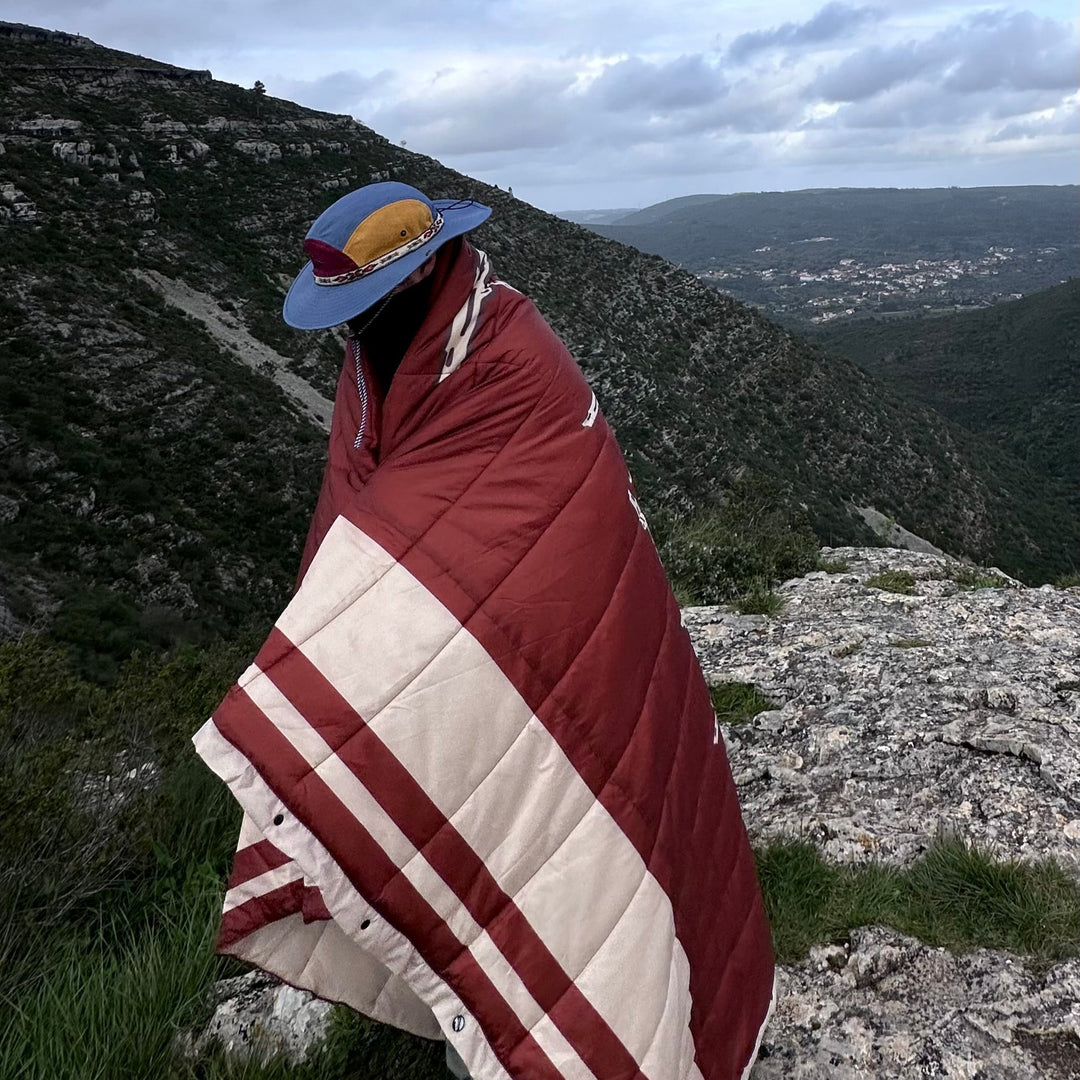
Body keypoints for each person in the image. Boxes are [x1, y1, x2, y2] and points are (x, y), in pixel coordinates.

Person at [193, 181, 775, 1080]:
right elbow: (367, 526)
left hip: (564, 643)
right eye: (347, 310)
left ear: (426, 266)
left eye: (367, 303)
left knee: (569, 840)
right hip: (454, 637)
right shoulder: (371, 363)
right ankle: (476, 1002)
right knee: (450, 800)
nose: (355, 324)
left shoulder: (508, 351)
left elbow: (545, 523)